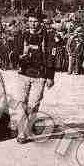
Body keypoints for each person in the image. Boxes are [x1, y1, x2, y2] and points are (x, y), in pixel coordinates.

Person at [14, 10, 55, 144]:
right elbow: (14, 53)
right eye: (30, 21)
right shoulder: (22, 36)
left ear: (40, 22)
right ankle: (22, 132)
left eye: (35, 21)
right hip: (23, 73)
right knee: (21, 103)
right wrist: (20, 57)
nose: (33, 24)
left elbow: (51, 57)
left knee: (34, 104)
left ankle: (28, 126)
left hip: (40, 75)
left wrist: (50, 76)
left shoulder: (48, 37)